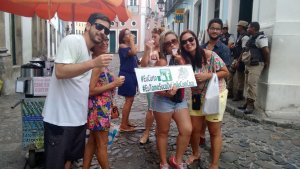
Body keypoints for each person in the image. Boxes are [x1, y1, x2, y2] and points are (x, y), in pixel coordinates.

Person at [42, 13, 112, 169]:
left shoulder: (87, 51)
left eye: (106, 31)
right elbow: (60, 71)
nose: (102, 32)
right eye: (99, 26)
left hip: (77, 120)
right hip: (60, 120)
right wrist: (93, 63)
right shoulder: (73, 40)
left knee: (69, 161)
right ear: (88, 26)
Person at [179, 30, 229, 169]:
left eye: (190, 39)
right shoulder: (185, 60)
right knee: (195, 129)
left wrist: (208, 76)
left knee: (214, 131)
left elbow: (226, 72)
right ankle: (196, 154)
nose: (188, 43)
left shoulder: (210, 55)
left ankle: (214, 164)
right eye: (184, 42)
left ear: (195, 39)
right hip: (196, 97)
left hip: (214, 95)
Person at [82, 38, 125, 169]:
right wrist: (114, 83)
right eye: (102, 41)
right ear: (93, 46)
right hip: (99, 110)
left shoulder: (99, 63)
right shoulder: (97, 65)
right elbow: (90, 90)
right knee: (102, 145)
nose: (106, 42)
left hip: (101, 109)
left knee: (92, 143)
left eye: (107, 40)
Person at [152, 30, 192, 169]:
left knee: (186, 129)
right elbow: (154, 85)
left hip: (179, 99)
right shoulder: (161, 61)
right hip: (163, 101)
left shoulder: (183, 58)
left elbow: (187, 75)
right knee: (163, 132)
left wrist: (179, 59)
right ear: (163, 46)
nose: (171, 44)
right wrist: (165, 93)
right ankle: (163, 162)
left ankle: (177, 159)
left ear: (178, 42)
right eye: (167, 42)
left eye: (174, 41)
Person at [199, 18, 231, 146]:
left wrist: (208, 76)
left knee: (213, 120)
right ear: (208, 30)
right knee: (200, 115)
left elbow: (225, 72)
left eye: (217, 29)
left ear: (221, 32)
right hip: (200, 90)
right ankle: (201, 135)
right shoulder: (201, 48)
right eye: (212, 28)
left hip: (215, 89)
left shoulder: (224, 49)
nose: (214, 31)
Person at [139, 27, 164, 144]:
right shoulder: (150, 48)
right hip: (151, 82)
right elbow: (143, 65)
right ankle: (147, 132)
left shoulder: (166, 49)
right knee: (151, 108)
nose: (152, 39)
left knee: (163, 108)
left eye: (155, 36)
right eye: (152, 36)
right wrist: (147, 51)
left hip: (163, 82)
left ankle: (159, 130)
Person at [238, 22, 270, 114]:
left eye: (249, 28)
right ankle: (247, 102)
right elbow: (245, 50)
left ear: (254, 28)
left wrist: (267, 62)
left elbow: (266, 51)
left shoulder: (261, 38)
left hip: (256, 64)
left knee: (252, 84)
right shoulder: (252, 38)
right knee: (248, 84)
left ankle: (251, 105)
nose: (247, 29)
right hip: (249, 64)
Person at [118, 28, 138, 132]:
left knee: (130, 100)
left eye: (129, 33)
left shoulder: (128, 46)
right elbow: (134, 51)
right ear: (122, 37)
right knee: (128, 100)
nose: (129, 35)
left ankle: (126, 121)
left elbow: (134, 54)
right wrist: (132, 41)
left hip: (132, 74)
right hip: (127, 75)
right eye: (127, 34)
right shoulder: (122, 46)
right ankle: (123, 125)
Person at [227, 20, 249, 100]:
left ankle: (239, 95)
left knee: (240, 77)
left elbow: (244, 50)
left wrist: (239, 61)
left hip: (240, 60)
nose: (237, 27)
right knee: (230, 75)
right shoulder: (240, 36)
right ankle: (230, 92)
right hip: (236, 58)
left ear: (242, 27)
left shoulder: (245, 37)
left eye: (238, 26)